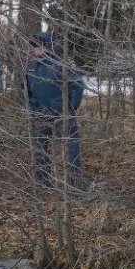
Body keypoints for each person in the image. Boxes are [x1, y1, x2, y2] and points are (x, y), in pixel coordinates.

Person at [25, 31, 88, 189]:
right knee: (41, 145)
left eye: (39, 45)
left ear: (48, 46)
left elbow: (78, 85)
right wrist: (33, 108)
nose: (35, 49)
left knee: (71, 144)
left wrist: (70, 106)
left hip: (63, 113)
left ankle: (74, 181)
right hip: (41, 113)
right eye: (34, 46)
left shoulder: (60, 65)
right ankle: (43, 180)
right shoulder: (30, 67)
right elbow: (26, 91)